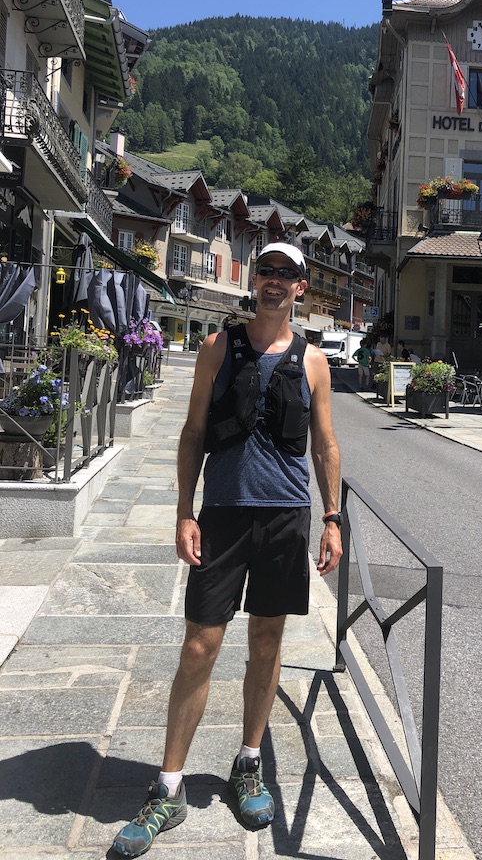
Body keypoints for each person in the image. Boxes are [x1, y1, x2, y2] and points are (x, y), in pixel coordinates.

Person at [112, 243, 342, 857]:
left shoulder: (313, 361)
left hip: (285, 517)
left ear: (300, 288)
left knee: (267, 640)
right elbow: (193, 433)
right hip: (224, 515)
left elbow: (325, 445)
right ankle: (168, 787)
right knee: (199, 645)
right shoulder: (217, 348)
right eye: (265, 271)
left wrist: (332, 518)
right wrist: (184, 512)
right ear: (255, 281)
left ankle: (248, 762)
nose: (274, 281)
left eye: (286, 274)